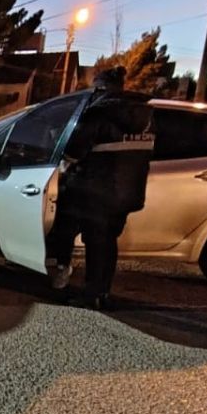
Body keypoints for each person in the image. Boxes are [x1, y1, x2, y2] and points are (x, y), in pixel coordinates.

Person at [48, 66, 155, 310]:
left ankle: (90, 294)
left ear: (100, 87)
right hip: (129, 192)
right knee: (108, 242)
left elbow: (74, 151)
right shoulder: (146, 116)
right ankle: (103, 291)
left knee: (92, 240)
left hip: (97, 191)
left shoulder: (99, 113)